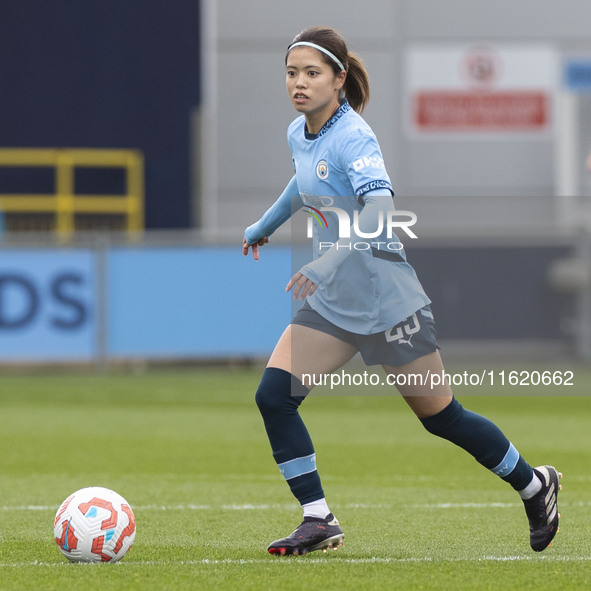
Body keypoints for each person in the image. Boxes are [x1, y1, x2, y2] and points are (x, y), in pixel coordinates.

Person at [242, 26, 561, 556]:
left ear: (339, 80)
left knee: (441, 417)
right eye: (292, 73)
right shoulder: (300, 132)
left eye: (312, 73)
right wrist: (265, 223)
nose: (299, 83)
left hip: (385, 297)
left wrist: (324, 263)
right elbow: (303, 182)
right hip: (335, 305)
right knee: (275, 396)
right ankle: (318, 518)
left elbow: (380, 211)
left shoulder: (355, 137)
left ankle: (535, 486)